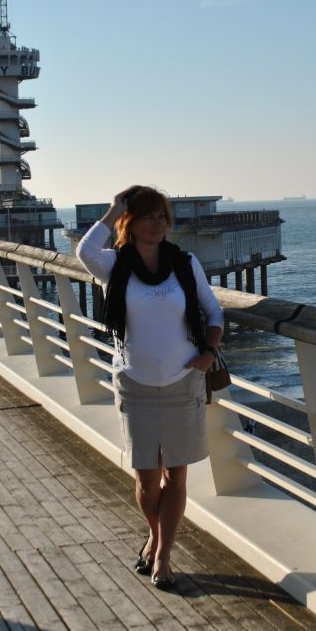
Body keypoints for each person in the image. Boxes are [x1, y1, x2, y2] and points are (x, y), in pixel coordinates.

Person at [76, 185, 223, 590]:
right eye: (148, 216)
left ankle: (162, 554)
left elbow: (212, 309)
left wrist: (208, 352)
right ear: (131, 222)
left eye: (162, 216)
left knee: (176, 477)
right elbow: (84, 252)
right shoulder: (113, 265)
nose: (158, 224)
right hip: (135, 383)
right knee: (145, 479)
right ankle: (156, 536)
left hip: (182, 382)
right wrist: (111, 211)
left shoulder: (185, 262)